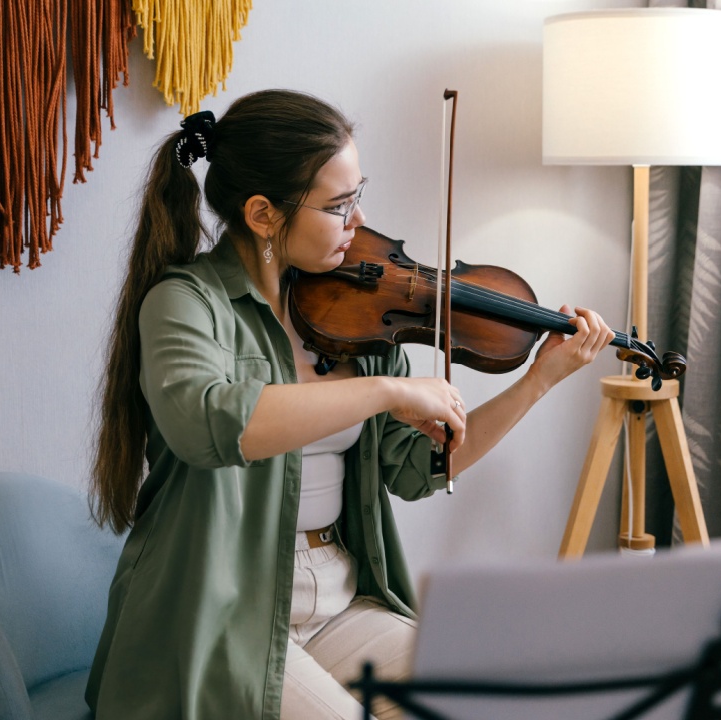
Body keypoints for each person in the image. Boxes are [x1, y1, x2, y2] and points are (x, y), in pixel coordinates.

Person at [85, 89, 613, 720]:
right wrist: (386, 391)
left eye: (358, 194)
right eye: (339, 206)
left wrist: (538, 381)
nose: (359, 222)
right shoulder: (187, 304)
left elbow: (419, 470)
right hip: (222, 607)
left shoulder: (354, 316)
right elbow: (207, 422)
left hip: (336, 595)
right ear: (262, 214)